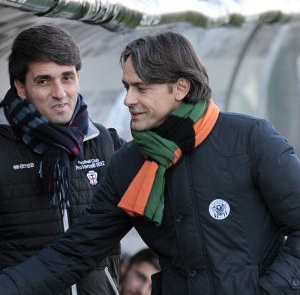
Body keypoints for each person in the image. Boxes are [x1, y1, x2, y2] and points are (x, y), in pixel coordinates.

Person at [0, 30, 300, 295]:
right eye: (127, 86)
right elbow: (74, 253)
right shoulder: (128, 164)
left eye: (141, 88)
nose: (128, 99)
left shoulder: (249, 139)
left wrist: (272, 290)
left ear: (180, 88)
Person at [0, 24, 125, 295]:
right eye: (44, 81)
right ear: (20, 87)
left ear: (78, 77)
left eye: (67, 77)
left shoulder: (103, 142)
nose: (60, 93)